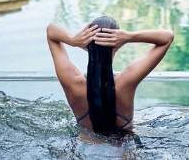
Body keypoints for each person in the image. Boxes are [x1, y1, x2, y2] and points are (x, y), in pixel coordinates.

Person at [46, 16, 174, 135]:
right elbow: (167, 37)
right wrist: (129, 36)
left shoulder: (71, 81)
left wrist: (72, 40)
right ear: (117, 46)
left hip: (84, 147)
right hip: (123, 148)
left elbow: (51, 31)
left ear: (87, 46)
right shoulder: (127, 81)